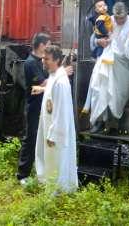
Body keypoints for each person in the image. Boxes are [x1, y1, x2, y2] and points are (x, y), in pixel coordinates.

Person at [85, 2, 129, 133]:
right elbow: (94, 38)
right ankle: (99, 122)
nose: (119, 21)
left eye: (122, 18)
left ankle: (114, 125)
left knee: (118, 95)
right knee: (100, 90)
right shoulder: (107, 20)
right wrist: (98, 41)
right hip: (106, 61)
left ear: (127, 14)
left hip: (124, 66)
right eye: (117, 18)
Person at [35, 45, 78, 193]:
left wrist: (53, 134)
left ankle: (58, 191)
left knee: (58, 160)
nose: (43, 61)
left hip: (56, 132)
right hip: (49, 126)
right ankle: (52, 188)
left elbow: (61, 111)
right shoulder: (54, 76)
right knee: (51, 160)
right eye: (42, 58)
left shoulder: (61, 81)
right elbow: (51, 92)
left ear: (57, 60)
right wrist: (42, 89)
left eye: (47, 59)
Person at [16, 32, 51, 183]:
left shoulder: (41, 61)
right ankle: (22, 175)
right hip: (33, 106)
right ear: (42, 45)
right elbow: (43, 84)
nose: (49, 48)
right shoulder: (31, 63)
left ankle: (39, 173)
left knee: (40, 139)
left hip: (41, 105)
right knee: (30, 138)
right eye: (48, 45)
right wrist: (61, 75)